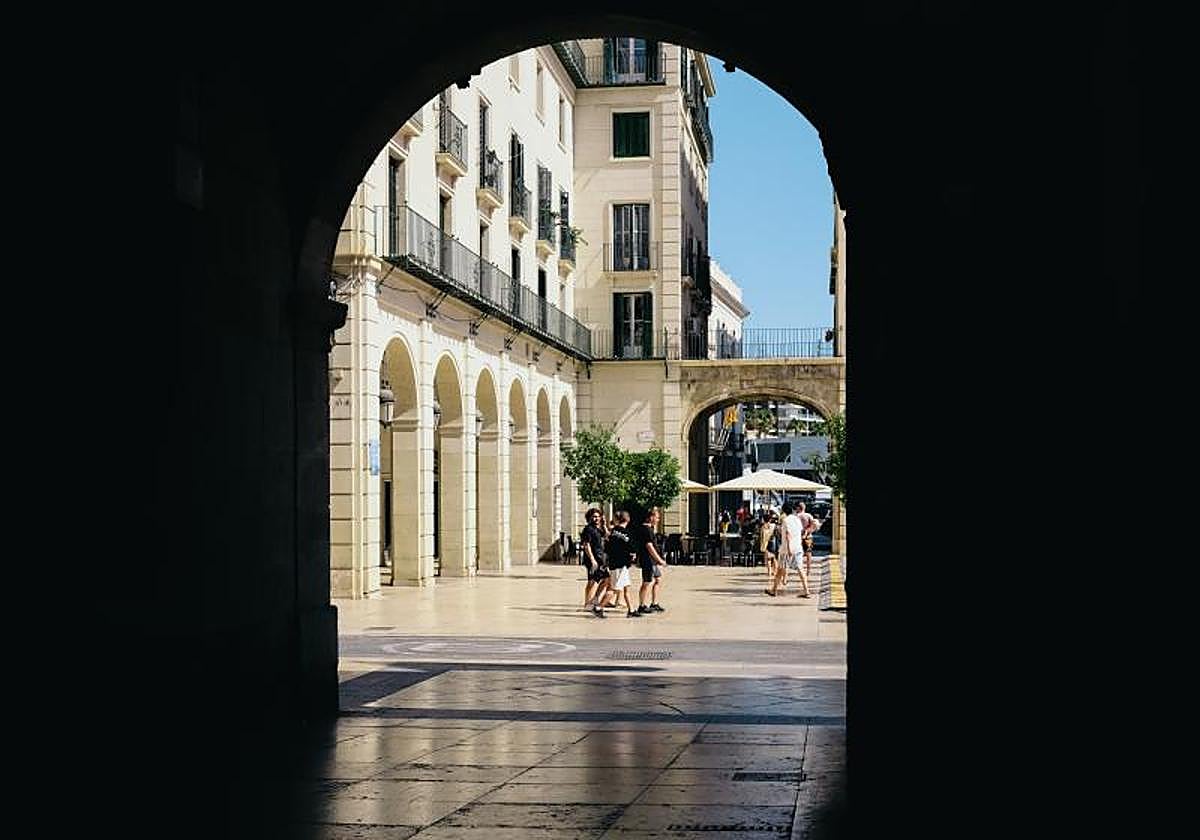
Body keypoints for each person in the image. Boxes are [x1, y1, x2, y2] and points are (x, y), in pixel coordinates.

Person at [765, 502, 811, 598]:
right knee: (800, 569)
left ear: (784, 511)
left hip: (787, 550)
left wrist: (789, 549)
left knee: (780, 570)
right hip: (798, 548)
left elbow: (788, 535)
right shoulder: (797, 519)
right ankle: (806, 591)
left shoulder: (786, 520)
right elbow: (801, 532)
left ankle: (773, 590)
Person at [605, 510, 639, 618]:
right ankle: (599, 607)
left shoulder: (613, 532)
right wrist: (632, 555)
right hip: (621, 565)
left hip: (614, 563)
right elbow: (633, 548)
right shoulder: (627, 533)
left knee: (626, 588)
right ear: (627, 520)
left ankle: (631, 610)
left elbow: (608, 547)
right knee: (613, 589)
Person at [634, 507, 668, 614]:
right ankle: (642, 605)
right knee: (646, 582)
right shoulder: (646, 530)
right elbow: (649, 546)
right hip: (648, 560)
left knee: (657, 579)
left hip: (652, 561)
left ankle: (654, 603)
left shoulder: (650, 529)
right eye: (657, 518)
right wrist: (659, 560)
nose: (658, 520)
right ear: (651, 517)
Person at [580, 508, 609, 616]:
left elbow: (607, 536)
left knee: (606, 579)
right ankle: (588, 603)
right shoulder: (588, 529)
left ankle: (595, 598)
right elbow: (586, 545)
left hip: (601, 559)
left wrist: (604, 525)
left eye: (598, 516)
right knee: (592, 581)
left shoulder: (598, 529)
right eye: (594, 516)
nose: (596, 518)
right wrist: (592, 560)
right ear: (589, 518)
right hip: (593, 559)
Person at [794, 502, 818, 580]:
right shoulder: (808, 516)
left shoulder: (796, 516)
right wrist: (808, 531)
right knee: (808, 554)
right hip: (808, 537)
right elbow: (815, 525)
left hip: (798, 537)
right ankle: (808, 570)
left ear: (798, 508)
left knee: (799, 554)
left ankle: (801, 570)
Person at [758, 510, 777, 579]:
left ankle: (769, 571)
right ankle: (775, 571)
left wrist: (762, 546)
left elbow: (762, 536)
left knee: (768, 558)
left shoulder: (762, 527)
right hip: (772, 542)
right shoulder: (773, 526)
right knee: (774, 558)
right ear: (770, 519)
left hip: (766, 543)